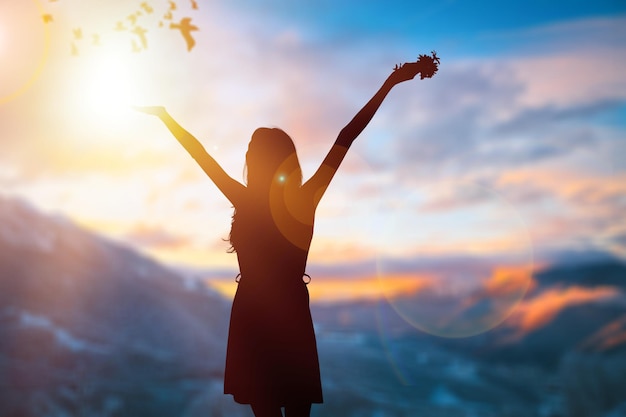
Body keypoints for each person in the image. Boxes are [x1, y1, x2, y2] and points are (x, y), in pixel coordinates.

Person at [135, 57, 434, 417]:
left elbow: (202, 156)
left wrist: (166, 118)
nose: (245, 155)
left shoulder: (249, 200)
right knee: (292, 408)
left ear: (263, 160)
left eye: (250, 151)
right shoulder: (301, 200)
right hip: (285, 311)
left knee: (270, 408)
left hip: (256, 311)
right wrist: (390, 82)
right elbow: (346, 137)